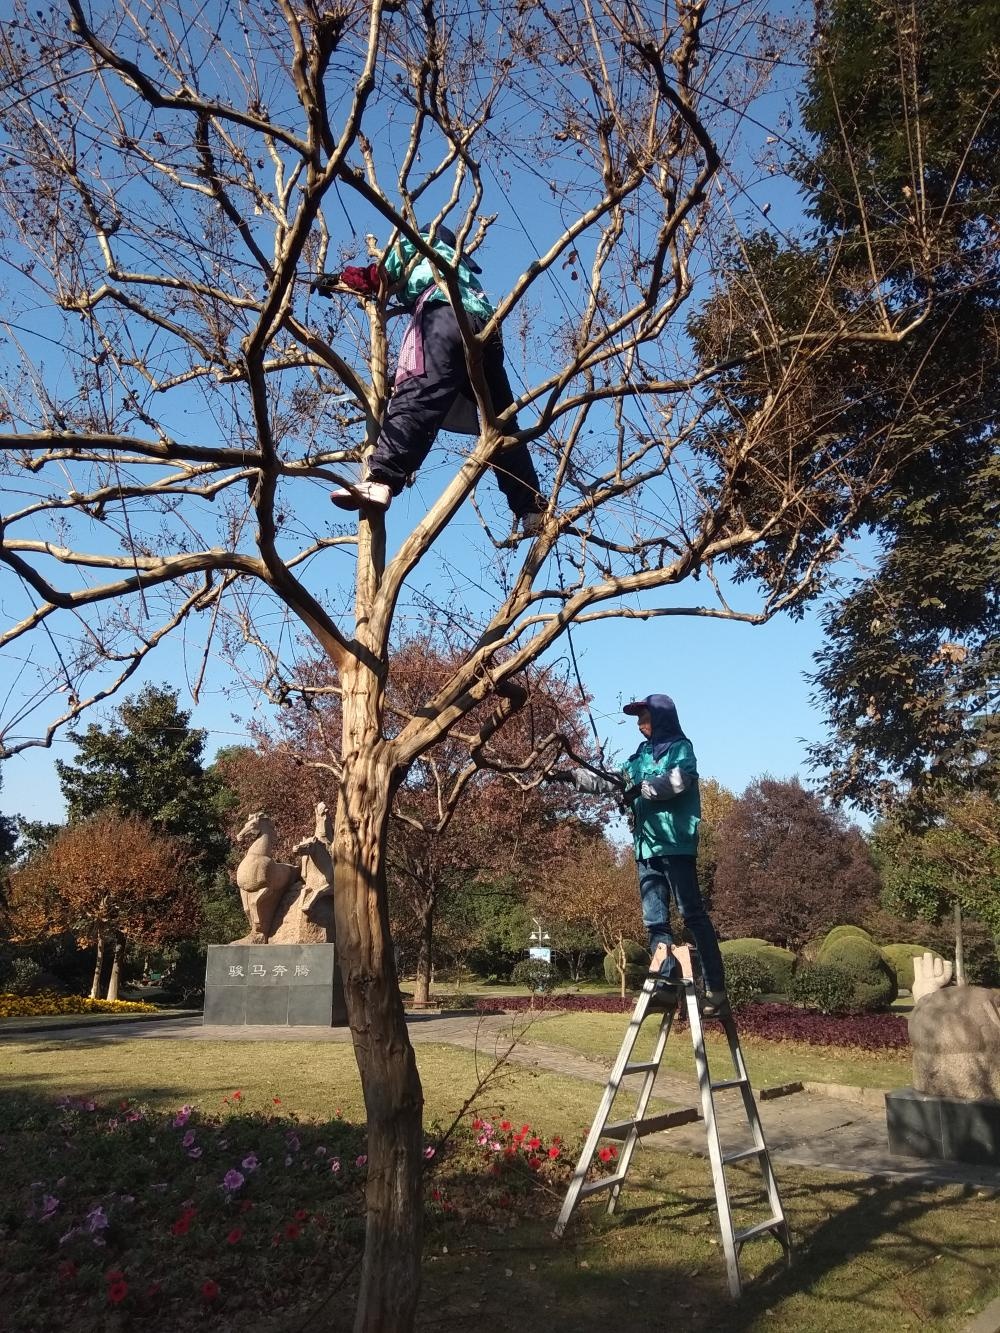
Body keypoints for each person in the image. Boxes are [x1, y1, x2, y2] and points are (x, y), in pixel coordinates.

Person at [326, 223, 546, 534]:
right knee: (502, 425)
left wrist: (341, 279)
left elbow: (377, 277)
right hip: (486, 330)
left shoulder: (416, 245)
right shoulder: (462, 270)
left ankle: (382, 479)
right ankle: (532, 509)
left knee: (417, 394)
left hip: (441, 317)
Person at [552, 693, 728, 1017]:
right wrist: (571, 777)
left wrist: (643, 787)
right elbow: (611, 782)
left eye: (643, 716)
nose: (638, 724)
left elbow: (677, 782)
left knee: (692, 916)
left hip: (676, 845)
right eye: (637, 718)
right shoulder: (639, 756)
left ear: (660, 717)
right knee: (655, 922)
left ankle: (716, 990)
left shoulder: (680, 748)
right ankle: (666, 985)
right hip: (646, 849)